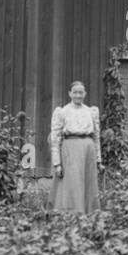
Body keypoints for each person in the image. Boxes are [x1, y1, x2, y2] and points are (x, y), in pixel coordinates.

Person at [49, 81, 102, 213]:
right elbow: (55, 138)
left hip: (88, 150)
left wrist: (98, 159)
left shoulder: (91, 111)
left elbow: (96, 137)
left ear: (85, 94)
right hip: (70, 149)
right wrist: (57, 163)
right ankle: (72, 213)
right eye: (75, 92)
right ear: (70, 94)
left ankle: (89, 214)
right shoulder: (63, 112)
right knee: (72, 182)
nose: (78, 95)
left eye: (81, 92)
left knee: (88, 183)